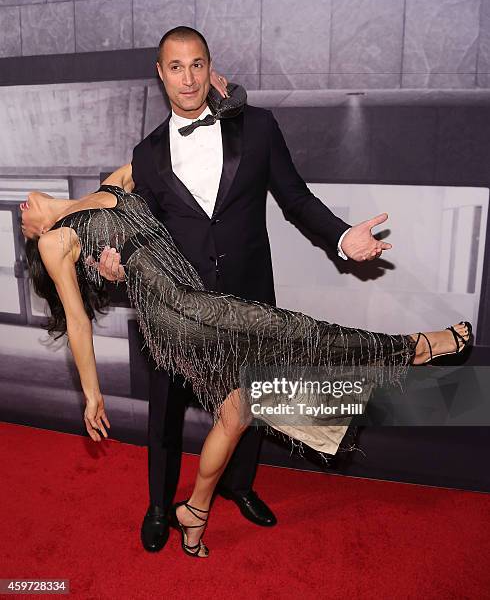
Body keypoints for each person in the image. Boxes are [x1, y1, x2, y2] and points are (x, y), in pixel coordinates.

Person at [22, 182, 471, 558]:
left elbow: (157, 162)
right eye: (23, 223)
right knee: (297, 332)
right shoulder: (53, 240)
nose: (23, 211)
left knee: (238, 411)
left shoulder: (111, 185)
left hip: (191, 302)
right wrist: (92, 394)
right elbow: (78, 321)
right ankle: (415, 348)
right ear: (37, 233)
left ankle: (193, 516)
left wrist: (224, 101)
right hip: (180, 314)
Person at [95, 25, 395, 550]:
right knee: (163, 411)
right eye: (176, 67)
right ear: (160, 74)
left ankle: (239, 486)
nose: (188, 78)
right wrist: (116, 258)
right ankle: (161, 507)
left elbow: (296, 200)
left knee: (252, 401)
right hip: (178, 308)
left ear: (211, 68)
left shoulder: (257, 127)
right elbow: (143, 230)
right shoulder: (145, 157)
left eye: (197, 65)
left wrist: (345, 237)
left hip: (248, 295)